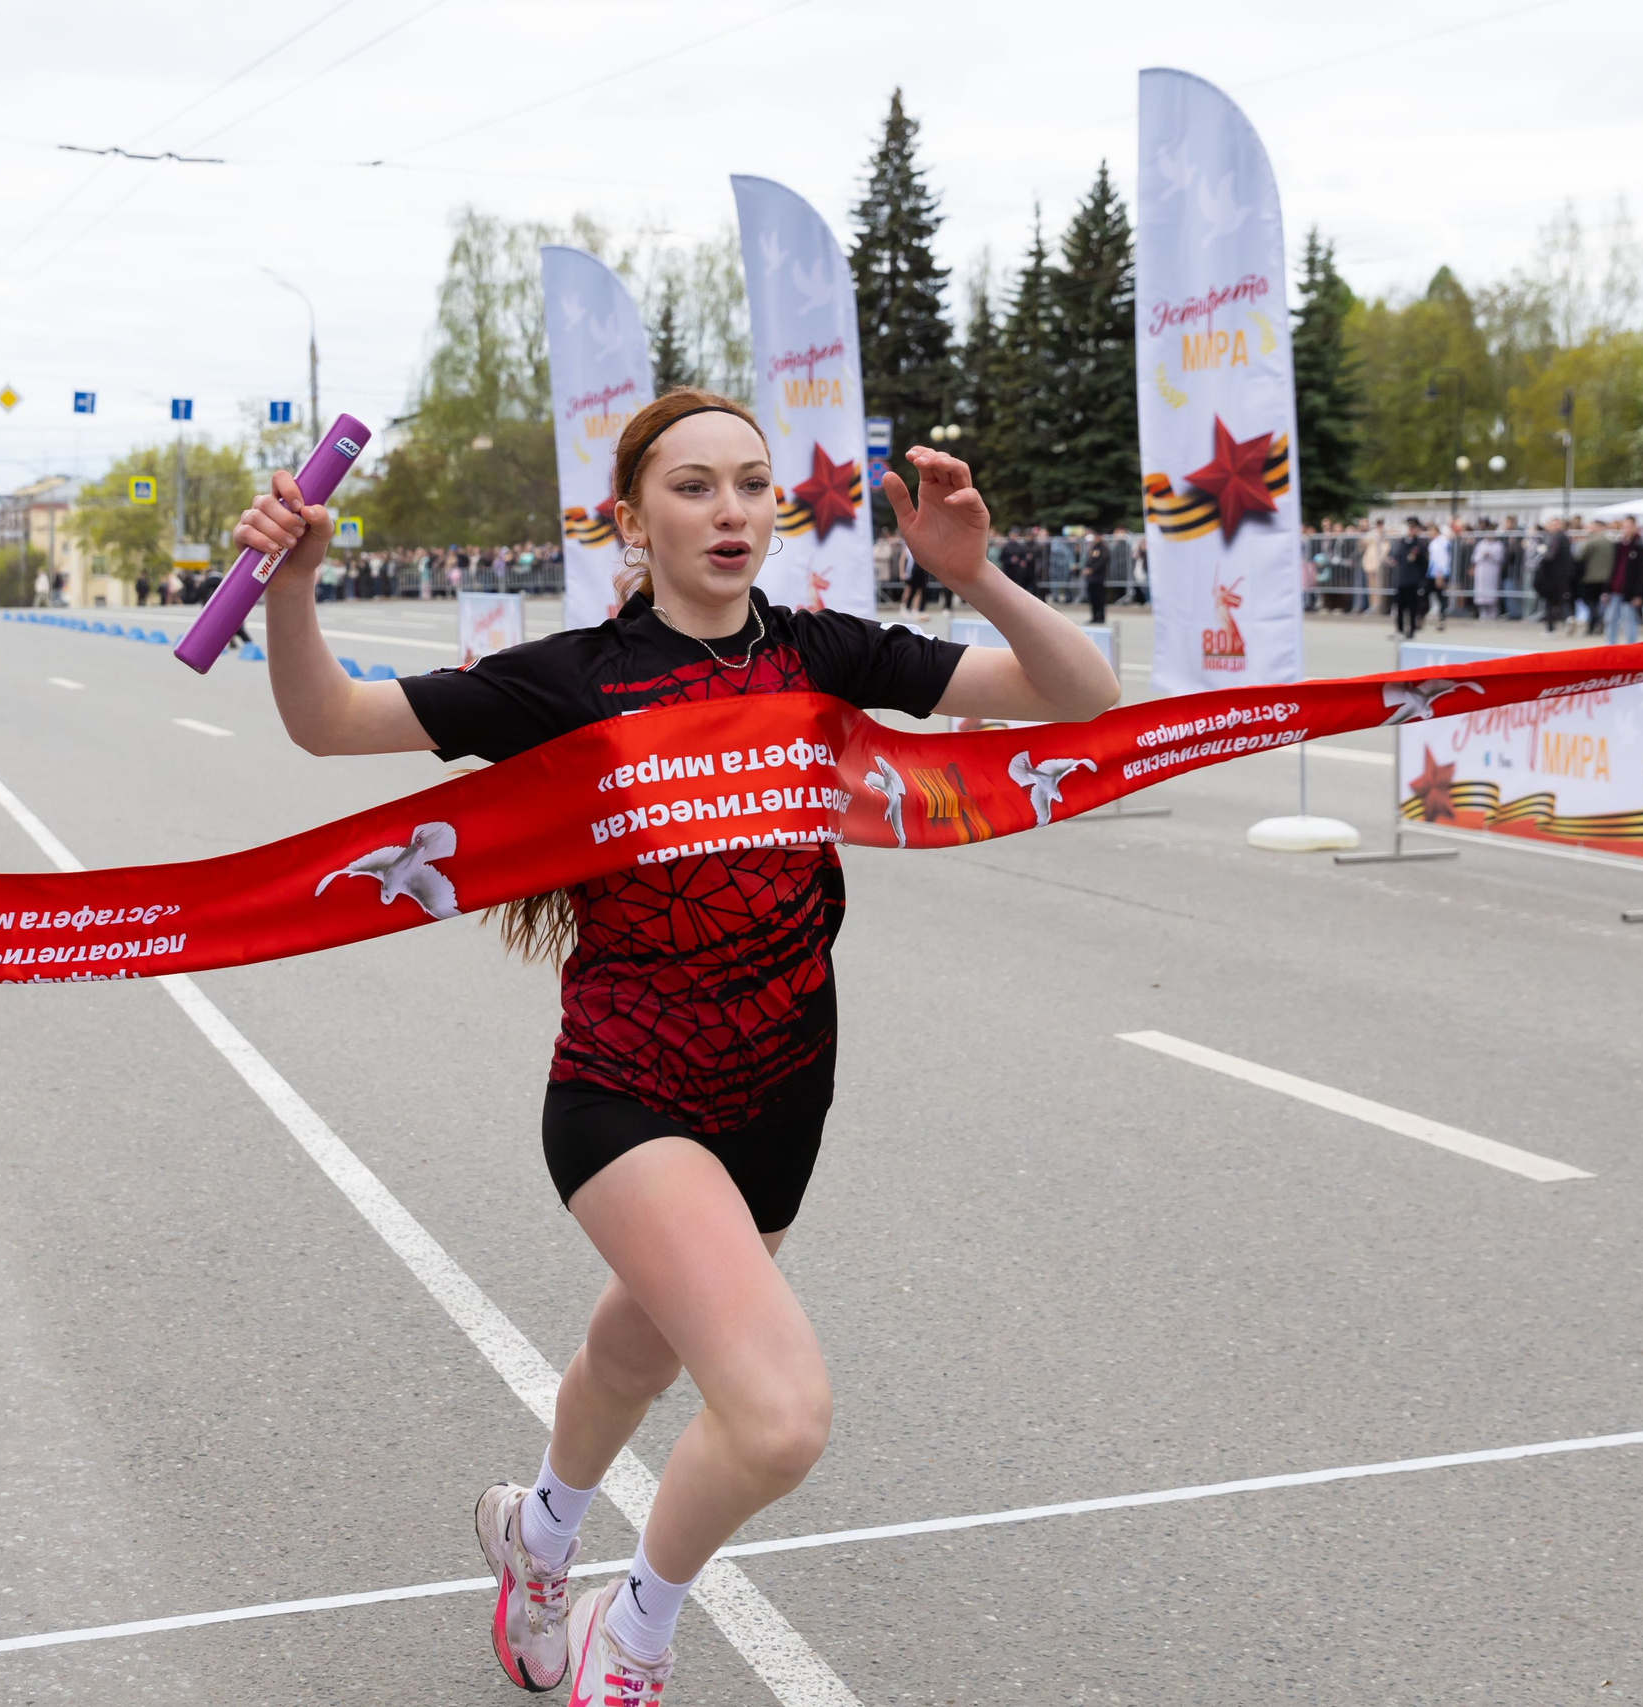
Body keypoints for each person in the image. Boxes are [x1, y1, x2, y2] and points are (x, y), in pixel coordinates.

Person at [234, 389, 1118, 1699]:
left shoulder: (824, 650)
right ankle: (632, 1629)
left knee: (640, 1350)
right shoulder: (569, 678)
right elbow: (332, 720)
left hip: (781, 1084)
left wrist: (972, 572)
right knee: (778, 1415)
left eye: (753, 484)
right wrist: (291, 591)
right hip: (625, 1087)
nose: (731, 511)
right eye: (695, 486)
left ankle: (536, 1534)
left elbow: (1083, 697)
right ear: (629, 522)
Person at [1606, 522, 1643, 644]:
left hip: (1630, 592)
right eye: (1624, 527)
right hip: (1615, 589)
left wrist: (1638, 594)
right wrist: (1606, 589)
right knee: (1610, 619)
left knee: (1629, 620)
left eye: (1629, 526)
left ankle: (1630, 646)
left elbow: (1642, 573)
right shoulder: (1617, 546)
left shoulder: (1639, 547)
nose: (1626, 529)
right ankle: (1611, 645)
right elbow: (1611, 569)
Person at [1389, 517, 1428, 638]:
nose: (1411, 530)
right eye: (1409, 528)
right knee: (1399, 606)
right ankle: (1399, 629)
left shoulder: (1420, 544)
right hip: (1401, 579)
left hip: (1413, 580)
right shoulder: (1401, 542)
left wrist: (1421, 579)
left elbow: (1424, 563)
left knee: (1412, 607)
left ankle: (1411, 630)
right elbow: (1395, 557)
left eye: (1413, 528)